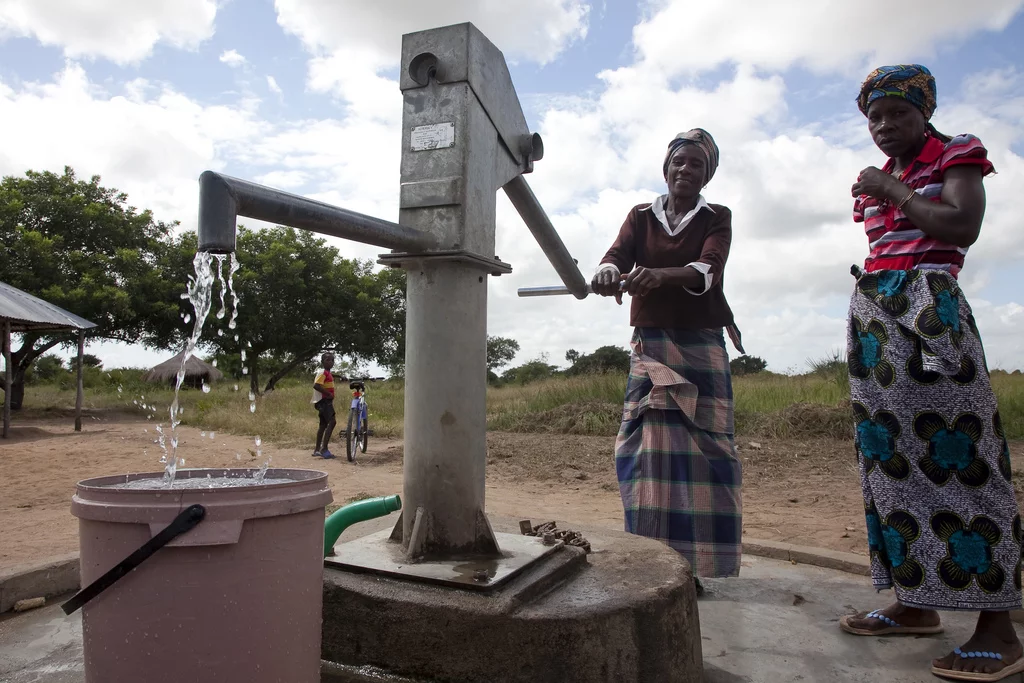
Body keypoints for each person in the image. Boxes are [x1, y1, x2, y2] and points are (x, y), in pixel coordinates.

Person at [839, 64, 1022, 682]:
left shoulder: (957, 155)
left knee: (963, 462)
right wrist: (887, 191)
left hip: (931, 314)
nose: (886, 126)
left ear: (926, 113)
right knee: (890, 466)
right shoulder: (883, 177)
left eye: (899, 114)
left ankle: (999, 628)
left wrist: (892, 194)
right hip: (876, 321)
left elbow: (962, 227)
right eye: (876, 118)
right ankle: (914, 603)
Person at [592, 128, 745, 590]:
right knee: (647, 452)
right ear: (666, 167)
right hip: (652, 344)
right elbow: (616, 255)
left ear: (707, 174)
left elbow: (706, 271)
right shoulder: (641, 215)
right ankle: (654, 565)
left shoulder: (717, 216)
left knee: (708, 451)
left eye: (696, 164)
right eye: (679, 162)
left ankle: (698, 568)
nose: (685, 170)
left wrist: (659, 275)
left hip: (700, 343)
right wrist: (608, 271)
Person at [312, 352, 337, 459]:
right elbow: (316, 386)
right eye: (327, 360)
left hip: (323, 402)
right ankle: (324, 448)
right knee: (332, 421)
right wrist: (328, 394)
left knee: (323, 425)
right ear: (322, 361)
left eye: (332, 360)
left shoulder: (327, 373)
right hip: (324, 401)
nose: (330, 362)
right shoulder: (323, 372)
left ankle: (317, 449)